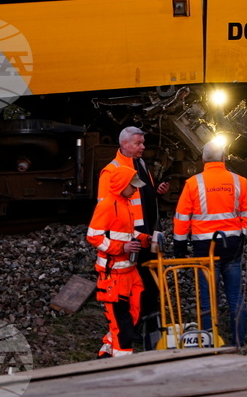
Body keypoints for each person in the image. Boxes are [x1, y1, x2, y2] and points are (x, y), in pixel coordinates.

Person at [173, 141, 247, 346]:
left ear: (203, 160)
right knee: (236, 297)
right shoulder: (239, 181)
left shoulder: (193, 183)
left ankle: (210, 344)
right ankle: (239, 342)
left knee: (207, 300)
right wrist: (243, 237)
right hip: (233, 247)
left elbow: (181, 219)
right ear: (224, 158)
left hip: (204, 249)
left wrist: (180, 248)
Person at [97, 127, 170, 350]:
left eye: (143, 143)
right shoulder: (112, 171)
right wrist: (119, 245)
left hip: (143, 238)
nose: (143, 147)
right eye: (138, 143)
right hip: (130, 242)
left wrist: (156, 192)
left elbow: (141, 197)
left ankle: (145, 329)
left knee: (148, 284)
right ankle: (131, 331)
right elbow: (104, 211)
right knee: (131, 288)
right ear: (125, 144)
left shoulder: (140, 164)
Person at [86, 165, 153, 357]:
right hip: (114, 275)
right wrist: (121, 248)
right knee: (122, 326)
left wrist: (144, 239)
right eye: (132, 186)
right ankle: (122, 365)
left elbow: (128, 233)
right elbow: (93, 236)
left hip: (129, 272)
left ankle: (107, 353)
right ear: (122, 185)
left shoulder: (125, 204)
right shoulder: (107, 205)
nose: (135, 189)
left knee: (129, 318)